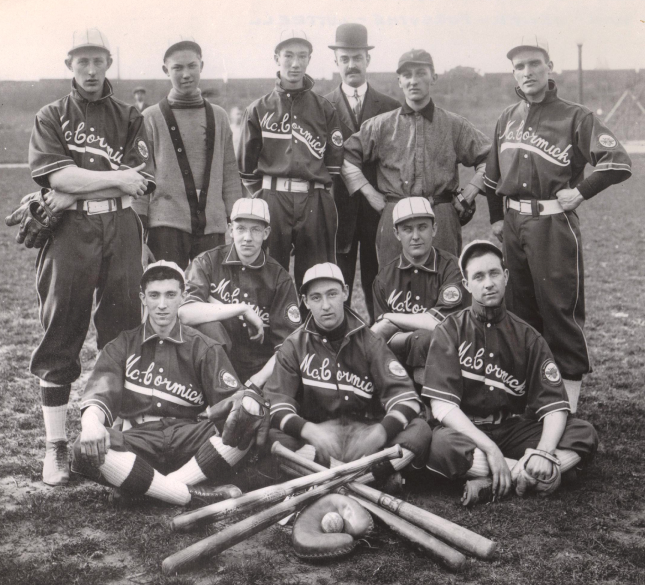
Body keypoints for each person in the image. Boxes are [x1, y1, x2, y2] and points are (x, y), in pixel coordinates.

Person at [27, 28, 156, 486]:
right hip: (69, 230)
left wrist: (83, 185)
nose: (89, 68)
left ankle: (113, 432)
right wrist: (111, 179)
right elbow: (55, 176)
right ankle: (56, 446)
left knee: (121, 330)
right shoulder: (51, 114)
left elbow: (139, 181)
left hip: (120, 226)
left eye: (97, 59)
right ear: (69, 65)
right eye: (81, 61)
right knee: (62, 329)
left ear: (108, 63)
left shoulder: (129, 114)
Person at [484, 36, 632, 413]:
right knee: (517, 311)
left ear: (550, 67)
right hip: (514, 222)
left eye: (534, 63)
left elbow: (618, 161)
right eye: (519, 66)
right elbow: (490, 178)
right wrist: (498, 219)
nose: (527, 72)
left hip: (552, 221)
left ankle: (567, 404)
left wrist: (581, 191)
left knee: (558, 310)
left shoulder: (574, 115)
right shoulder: (507, 116)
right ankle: (531, 393)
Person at [70, 260, 270, 506]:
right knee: (83, 449)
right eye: (154, 295)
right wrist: (91, 424)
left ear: (183, 297)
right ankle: (189, 495)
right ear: (143, 298)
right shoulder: (122, 345)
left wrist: (246, 405)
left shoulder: (203, 346)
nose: (162, 305)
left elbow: (231, 402)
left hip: (190, 442)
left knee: (247, 423)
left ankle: (150, 490)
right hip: (139, 442)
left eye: (170, 295)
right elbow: (100, 395)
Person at [421, 240, 598, 506]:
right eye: (478, 277)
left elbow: (554, 405)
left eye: (494, 273)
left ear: (505, 277)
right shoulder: (450, 330)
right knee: (439, 445)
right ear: (467, 285)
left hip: (512, 427)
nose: (488, 283)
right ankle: (527, 474)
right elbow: (442, 407)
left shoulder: (528, 336)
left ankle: (508, 474)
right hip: (468, 430)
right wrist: (490, 449)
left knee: (583, 432)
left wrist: (545, 451)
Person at [264, 263, 432, 468]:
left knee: (419, 430)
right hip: (316, 436)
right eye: (316, 297)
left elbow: (406, 398)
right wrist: (308, 430)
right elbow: (276, 402)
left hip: (364, 435)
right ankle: (371, 476)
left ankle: (334, 475)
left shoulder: (371, 342)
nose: (325, 305)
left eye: (332, 294)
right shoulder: (294, 344)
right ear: (305, 301)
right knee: (272, 436)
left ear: (345, 292)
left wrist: (380, 433)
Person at [342, 49, 491, 264]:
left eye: (421, 73)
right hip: (395, 216)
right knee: (394, 288)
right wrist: (369, 193)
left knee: (445, 286)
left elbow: (491, 156)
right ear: (399, 81)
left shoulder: (454, 125)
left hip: (440, 215)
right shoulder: (381, 125)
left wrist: (470, 191)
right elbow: (347, 154)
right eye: (407, 75)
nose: (413, 81)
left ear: (433, 77)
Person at [238, 30, 344, 292]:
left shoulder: (324, 108)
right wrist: (265, 197)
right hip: (273, 197)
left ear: (309, 59)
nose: (295, 63)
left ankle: (312, 332)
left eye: (302, 56)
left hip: (313, 199)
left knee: (316, 276)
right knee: (267, 274)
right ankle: (271, 331)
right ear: (277, 58)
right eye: (288, 56)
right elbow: (246, 167)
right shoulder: (258, 109)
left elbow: (333, 164)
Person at [142, 36, 242, 269]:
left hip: (212, 226)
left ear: (201, 66)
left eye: (191, 66)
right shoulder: (150, 117)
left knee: (212, 295)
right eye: (177, 67)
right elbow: (141, 181)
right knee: (166, 292)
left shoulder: (219, 116)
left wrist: (235, 221)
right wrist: (140, 231)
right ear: (166, 70)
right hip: (166, 226)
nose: (185, 74)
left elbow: (229, 173)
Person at [179, 198, 301, 385]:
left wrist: (256, 382)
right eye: (241, 228)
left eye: (256, 230)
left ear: (266, 233)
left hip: (260, 370)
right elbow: (185, 313)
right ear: (230, 230)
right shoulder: (208, 262)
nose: (247, 237)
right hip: (213, 367)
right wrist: (241, 309)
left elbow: (288, 345)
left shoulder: (279, 278)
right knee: (209, 328)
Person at [324, 23, 400, 321]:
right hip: (337, 209)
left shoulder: (390, 106)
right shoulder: (323, 106)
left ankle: (381, 342)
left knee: (378, 281)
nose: (352, 65)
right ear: (336, 62)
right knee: (336, 280)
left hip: (376, 210)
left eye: (357, 58)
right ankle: (337, 343)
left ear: (367, 60)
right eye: (345, 59)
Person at [371, 197, 469, 384]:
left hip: (449, 357)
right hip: (399, 361)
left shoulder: (453, 268)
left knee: (425, 339)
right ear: (396, 233)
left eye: (422, 227)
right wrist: (412, 338)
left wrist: (392, 319)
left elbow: (444, 326)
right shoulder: (384, 278)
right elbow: (382, 338)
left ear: (434, 229)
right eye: (407, 229)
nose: (415, 236)